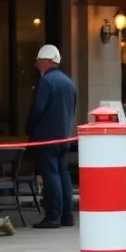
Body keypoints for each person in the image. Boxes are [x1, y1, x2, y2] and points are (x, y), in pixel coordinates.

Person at [25, 44, 77, 229]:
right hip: (63, 136)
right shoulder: (69, 82)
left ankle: (53, 216)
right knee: (63, 174)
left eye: (38, 62)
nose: (37, 66)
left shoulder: (46, 82)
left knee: (50, 175)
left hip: (46, 137)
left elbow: (37, 109)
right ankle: (67, 215)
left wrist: (29, 128)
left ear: (46, 61)